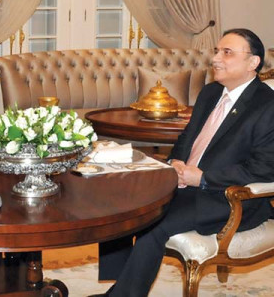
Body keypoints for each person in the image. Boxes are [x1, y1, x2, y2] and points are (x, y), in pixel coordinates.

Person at [94, 28, 274, 297]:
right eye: (216, 51)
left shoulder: (267, 105)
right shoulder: (211, 93)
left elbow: (264, 168)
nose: (216, 59)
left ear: (253, 62)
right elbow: (187, 137)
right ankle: (120, 287)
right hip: (184, 184)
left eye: (227, 52)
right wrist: (176, 161)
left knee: (152, 224)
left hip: (227, 197)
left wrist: (202, 178)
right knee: (121, 205)